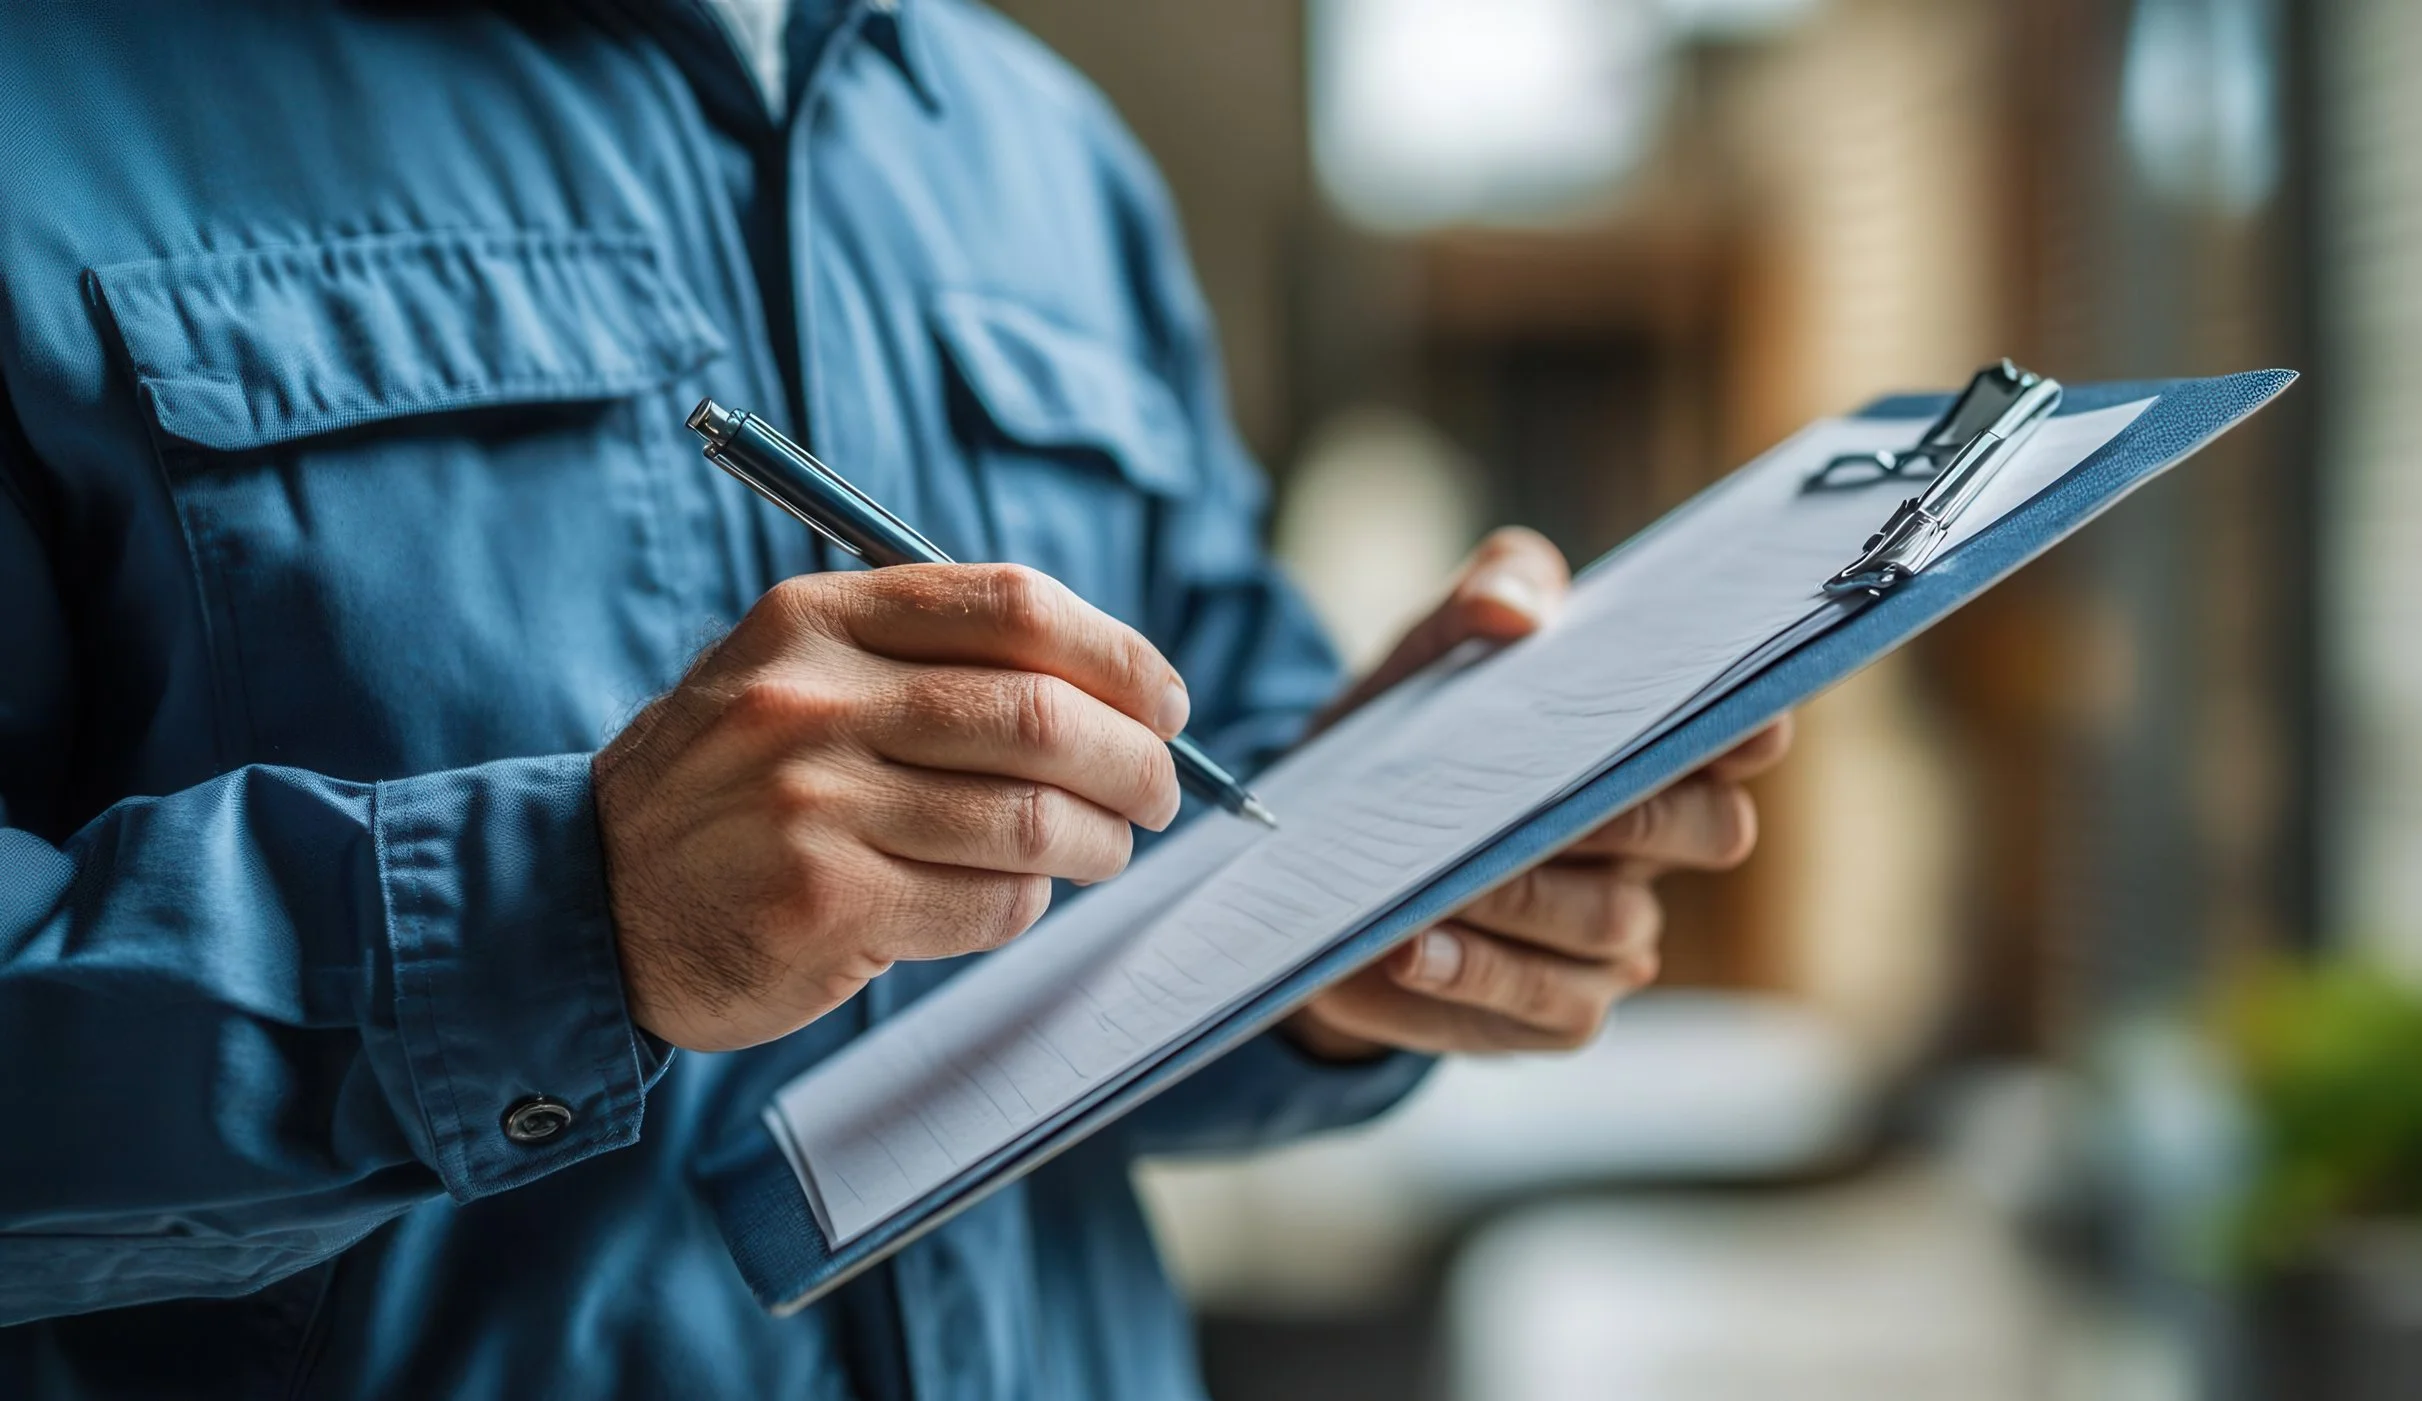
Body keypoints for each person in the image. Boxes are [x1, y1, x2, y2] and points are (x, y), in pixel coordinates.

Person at [0, 2, 1792, 1397]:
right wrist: (567, 925)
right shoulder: (50, 100)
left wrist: (1382, 889)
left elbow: (1199, 812)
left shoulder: (1046, 153)